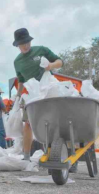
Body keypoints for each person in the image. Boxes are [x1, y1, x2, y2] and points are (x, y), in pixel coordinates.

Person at [12, 28, 63, 161]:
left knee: (56, 122)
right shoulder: (17, 62)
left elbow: (60, 61)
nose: (26, 45)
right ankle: (26, 156)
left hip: (49, 90)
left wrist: (50, 66)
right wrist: (17, 97)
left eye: (28, 42)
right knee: (28, 123)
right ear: (17, 44)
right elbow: (21, 81)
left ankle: (64, 153)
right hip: (31, 95)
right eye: (23, 43)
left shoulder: (41, 50)